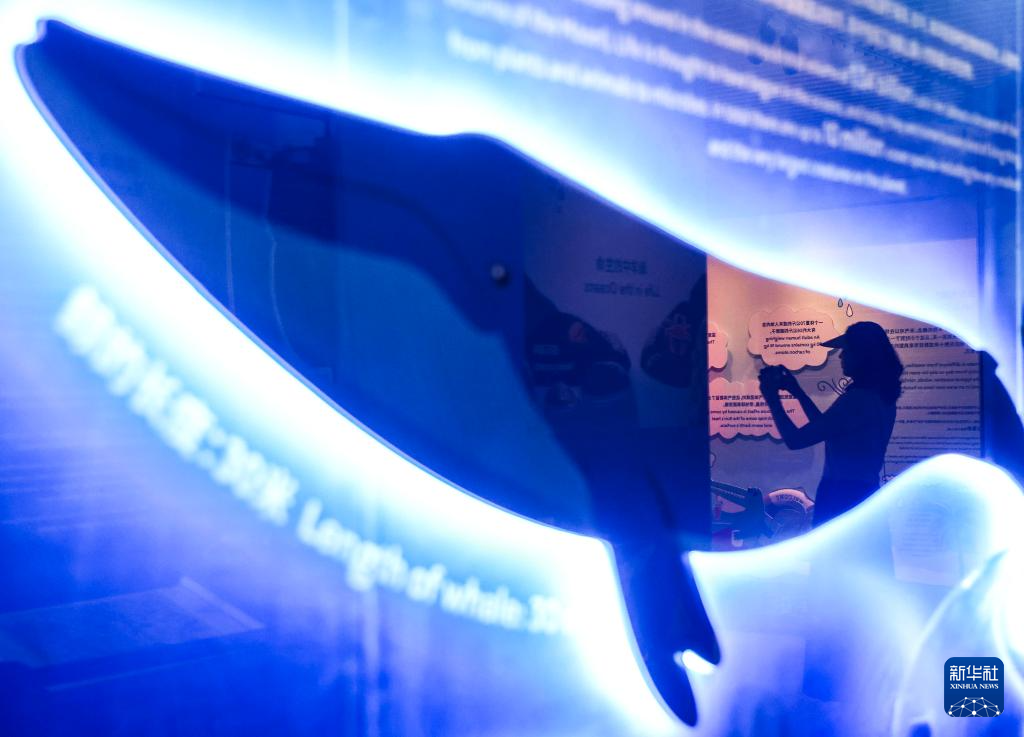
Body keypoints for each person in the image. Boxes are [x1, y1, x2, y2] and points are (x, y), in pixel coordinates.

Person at [758, 321, 902, 527]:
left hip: (840, 494)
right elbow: (827, 427)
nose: (841, 356)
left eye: (847, 350)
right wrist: (797, 392)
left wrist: (772, 398)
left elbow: (796, 440)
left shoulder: (857, 400)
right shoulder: (880, 396)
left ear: (863, 356)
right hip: (863, 490)